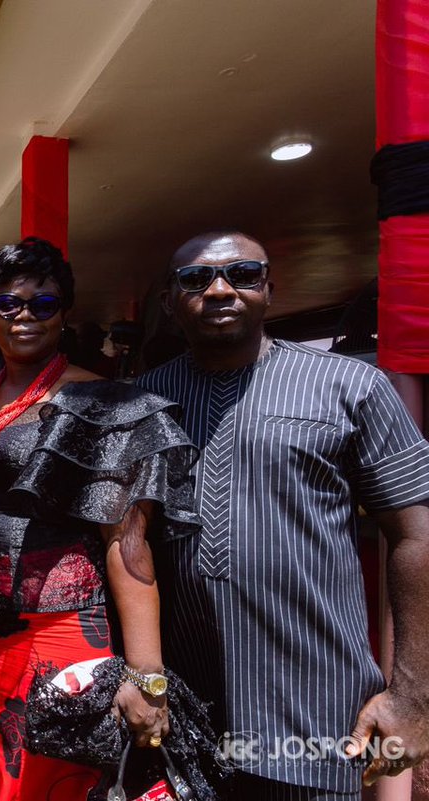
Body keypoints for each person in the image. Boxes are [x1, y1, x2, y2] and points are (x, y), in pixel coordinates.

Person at [138, 230, 429, 800]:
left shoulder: (350, 387)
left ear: (270, 289)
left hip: (317, 707)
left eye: (242, 275)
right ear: (170, 304)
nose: (220, 289)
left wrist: (413, 694)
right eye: (196, 279)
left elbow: (415, 535)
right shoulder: (144, 400)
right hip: (188, 707)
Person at [0, 237, 200, 800]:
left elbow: (127, 543)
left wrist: (146, 676)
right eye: (9, 304)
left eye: (44, 304)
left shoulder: (103, 402)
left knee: (54, 781)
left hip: (58, 635)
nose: (24, 318)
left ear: (65, 313)